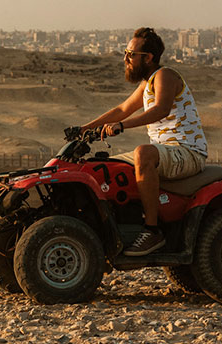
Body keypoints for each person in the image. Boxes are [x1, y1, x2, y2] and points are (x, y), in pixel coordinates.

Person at [77, 27, 207, 256]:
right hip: (166, 152)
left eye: (130, 54)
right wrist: (86, 128)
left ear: (148, 58)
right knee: (105, 168)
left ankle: (152, 230)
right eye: (125, 53)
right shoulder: (146, 84)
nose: (125, 59)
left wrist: (122, 126)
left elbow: (160, 109)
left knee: (143, 153)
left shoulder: (165, 75)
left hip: (186, 151)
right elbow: (122, 109)